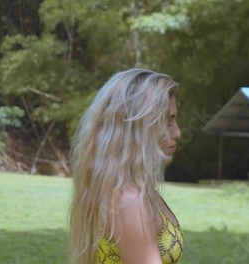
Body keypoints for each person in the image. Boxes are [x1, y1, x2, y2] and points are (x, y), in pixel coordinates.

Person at [69, 69, 184, 264]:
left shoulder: (132, 189)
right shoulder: (128, 201)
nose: (177, 132)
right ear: (138, 128)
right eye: (167, 121)